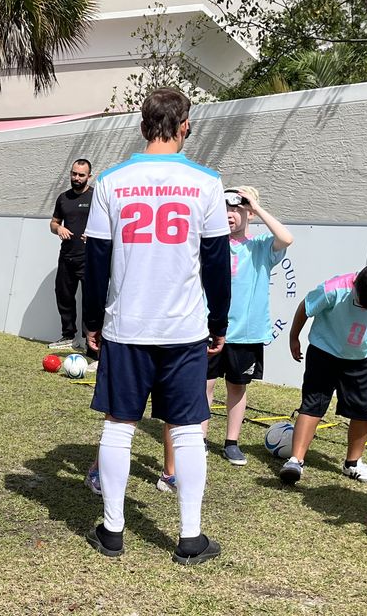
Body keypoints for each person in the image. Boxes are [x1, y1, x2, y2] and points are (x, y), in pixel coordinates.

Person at [81, 87, 230, 566]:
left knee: (119, 425)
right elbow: (217, 261)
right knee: (186, 430)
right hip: (184, 329)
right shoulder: (206, 182)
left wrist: (92, 320)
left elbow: (96, 259)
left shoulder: (111, 180)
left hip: (126, 325)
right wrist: (219, 320)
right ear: (185, 125)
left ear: (143, 125)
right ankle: (190, 537)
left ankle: (112, 531)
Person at [282, 264, 367, 485]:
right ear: (355, 286)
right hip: (324, 352)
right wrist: (294, 337)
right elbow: (306, 307)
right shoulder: (333, 289)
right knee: (312, 404)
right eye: (361, 303)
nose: (365, 310)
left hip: (364, 357)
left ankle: (352, 464)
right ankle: (295, 461)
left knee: (365, 411)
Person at [206, 186, 294, 468]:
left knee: (237, 388)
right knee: (204, 385)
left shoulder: (260, 246)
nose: (230, 214)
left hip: (246, 333)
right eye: (225, 209)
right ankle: (200, 439)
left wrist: (255, 206)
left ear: (250, 214)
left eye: (237, 209)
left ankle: (231, 443)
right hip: (210, 329)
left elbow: (286, 238)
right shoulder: (210, 244)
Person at [48, 160, 93, 351]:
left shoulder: (96, 197)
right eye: (74, 174)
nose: (77, 178)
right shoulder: (63, 198)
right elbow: (53, 223)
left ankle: (91, 341)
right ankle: (68, 336)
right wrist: (58, 228)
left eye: (81, 175)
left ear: (89, 176)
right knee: (63, 295)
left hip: (89, 258)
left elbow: (109, 222)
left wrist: (95, 235)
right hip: (67, 256)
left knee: (91, 301)